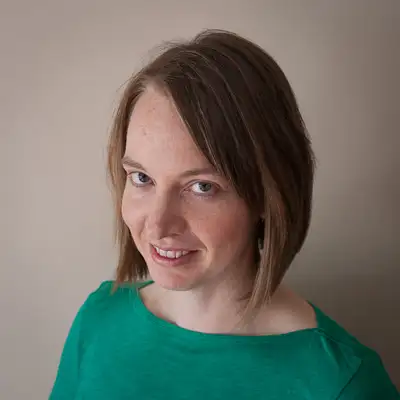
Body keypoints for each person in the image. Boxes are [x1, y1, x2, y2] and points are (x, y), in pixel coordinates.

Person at [49, 29, 399, 399]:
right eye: (142, 178)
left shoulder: (342, 384)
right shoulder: (98, 320)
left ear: (268, 195)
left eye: (202, 186)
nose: (158, 224)